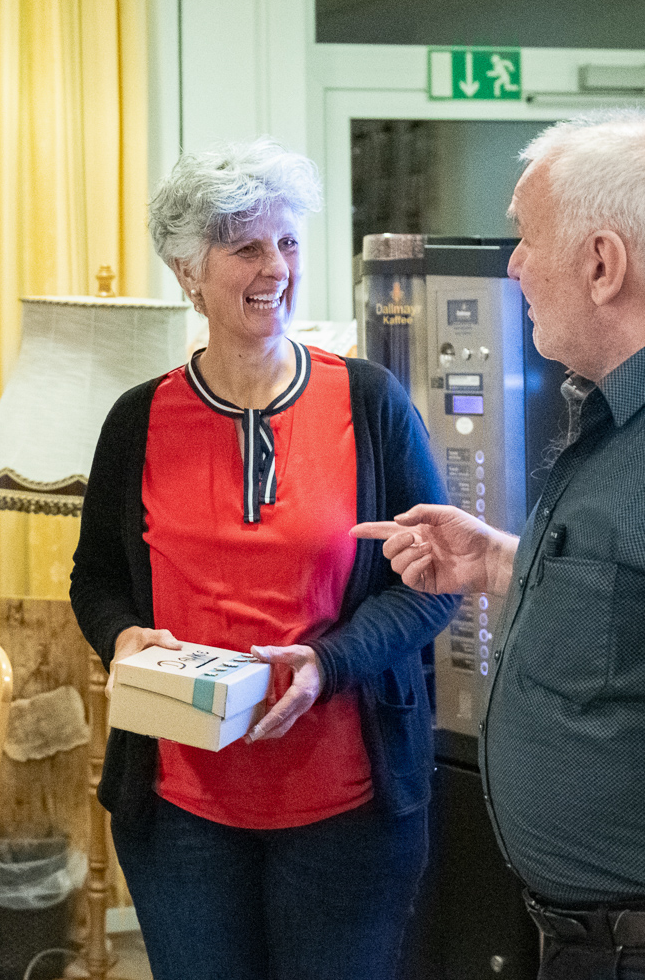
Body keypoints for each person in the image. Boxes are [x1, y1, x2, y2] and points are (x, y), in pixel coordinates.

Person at [355, 112, 645, 980]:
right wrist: (498, 562)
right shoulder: (633, 407)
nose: (514, 265)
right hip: (592, 940)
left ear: (602, 264)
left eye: (527, 235)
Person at [70, 140, 459, 979]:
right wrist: (123, 636)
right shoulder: (139, 420)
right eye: (245, 247)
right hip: (181, 814)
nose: (275, 267)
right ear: (188, 272)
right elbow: (95, 578)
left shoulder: (369, 402)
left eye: (286, 242)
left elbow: (431, 584)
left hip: (348, 812)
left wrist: (329, 662)